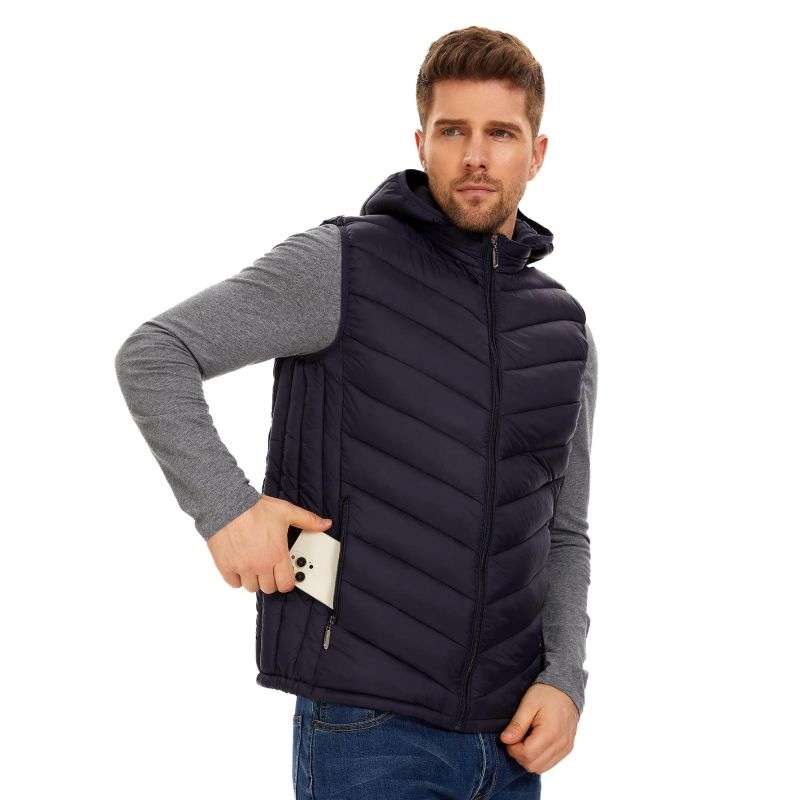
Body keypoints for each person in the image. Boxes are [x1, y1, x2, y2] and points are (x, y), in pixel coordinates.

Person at [115, 25, 598, 800]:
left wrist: (565, 677)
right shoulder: (344, 265)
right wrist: (226, 509)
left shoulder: (564, 329)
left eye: (501, 134)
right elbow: (157, 354)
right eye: (453, 131)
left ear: (536, 153)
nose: (476, 156)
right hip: (369, 733)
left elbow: (563, 530)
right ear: (422, 142)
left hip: (511, 742)